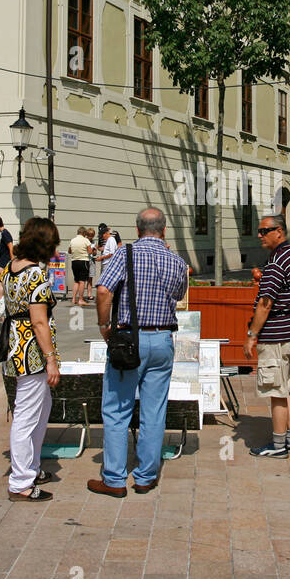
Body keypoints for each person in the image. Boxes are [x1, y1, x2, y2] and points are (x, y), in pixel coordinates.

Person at [89, 208, 188, 497]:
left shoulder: (124, 254)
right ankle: (145, 476)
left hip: (129, 339)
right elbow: (179, 295)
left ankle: (115, 479)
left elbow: (104, 291)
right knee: (154, 411)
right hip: (162, 340)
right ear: (164, 230)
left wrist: (104, 325)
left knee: (117, 409)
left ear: (137, 229)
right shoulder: (177, 261)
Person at [0, 218, 61, 500]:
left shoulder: (10, 267)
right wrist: (51, 359)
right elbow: (39, 322)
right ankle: (20, 482)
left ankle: (30, 466)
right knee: (27, 414)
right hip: (31, 350)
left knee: (40, 407)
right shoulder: (36, 275)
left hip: (13, 343)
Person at [246, 215, 290, 458]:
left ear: (279, 232)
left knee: (276, 392)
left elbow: (265, 304)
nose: (260, 235)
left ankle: (278, 445)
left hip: (276, 335)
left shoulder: (276, 263)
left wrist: (252, 334)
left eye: (265, 231)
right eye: (260, 230)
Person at [68, 225, 95, 305]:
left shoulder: (72, 240)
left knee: (76, 281)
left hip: (74, 262)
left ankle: (73, 299)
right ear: (84, 233)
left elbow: (69, 251)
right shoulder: (85, 240)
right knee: (82, 281)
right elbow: (90, 252)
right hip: (83, 261)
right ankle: (80, 299)